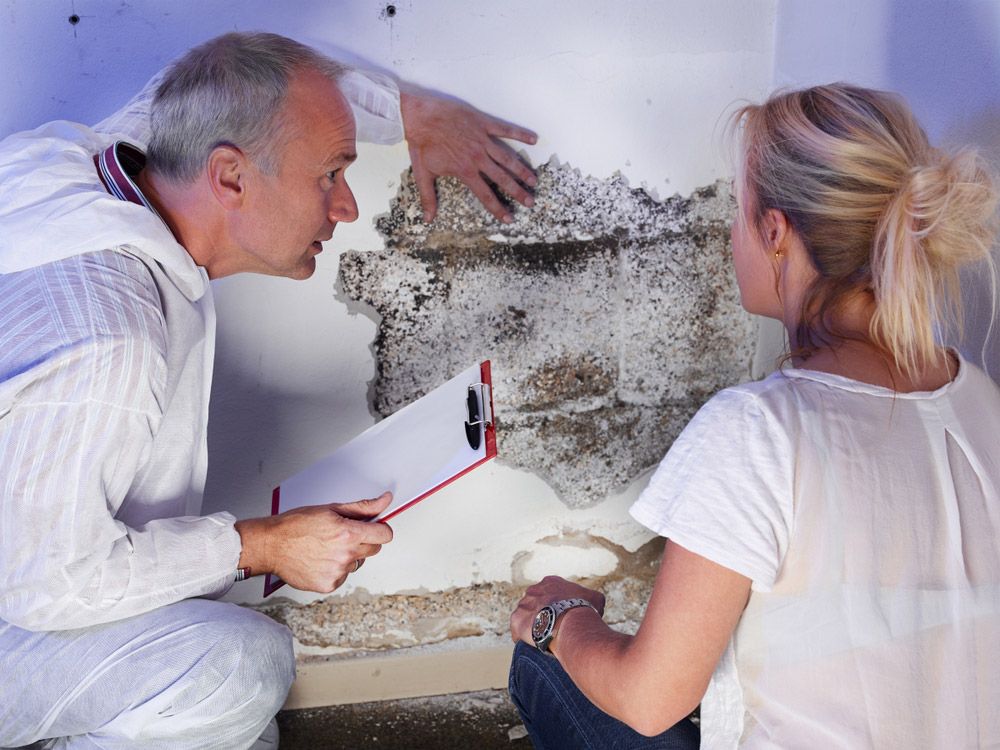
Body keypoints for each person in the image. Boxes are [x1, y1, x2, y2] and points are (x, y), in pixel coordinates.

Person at [0, 31, 536, 748]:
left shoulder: (81, 161)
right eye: (330, 175)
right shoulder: (110, 345)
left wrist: (413, 115)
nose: (345, 207)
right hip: (22, 600)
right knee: (243, 665)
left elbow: (223, 79)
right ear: (229, 178)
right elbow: (48, 582)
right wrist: (261, 546)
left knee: (242, 732)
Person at [509, 83, 1000, 749]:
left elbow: (650, 700)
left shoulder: (758, 430)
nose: (731, 234)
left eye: (737, 213)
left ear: (775, 232)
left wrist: (560, 620)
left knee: (543, 661)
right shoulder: (977, 397)